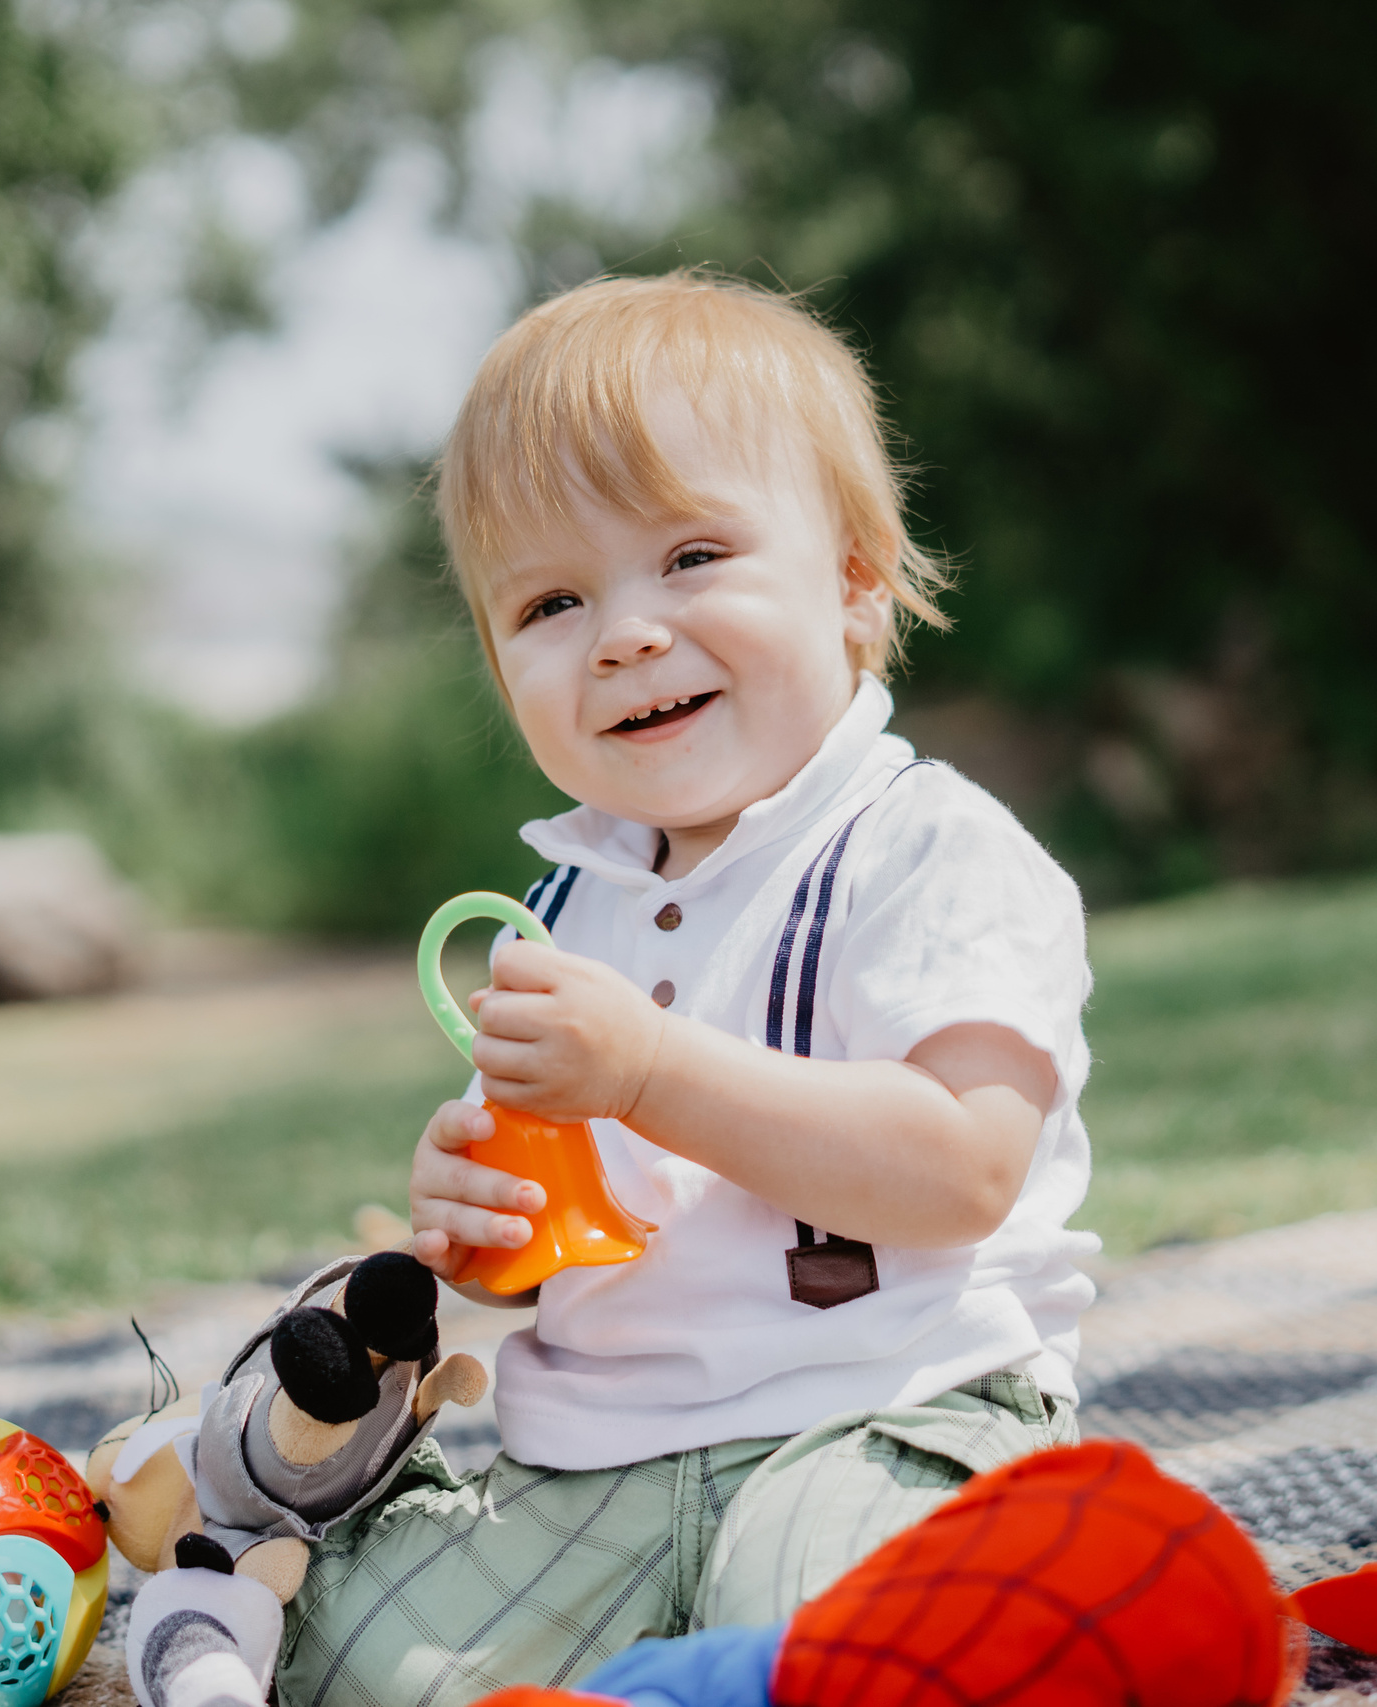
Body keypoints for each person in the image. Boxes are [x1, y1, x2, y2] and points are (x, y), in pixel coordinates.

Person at [284, 270, 1095, 1706]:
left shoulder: (928, 850)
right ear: (496, 656)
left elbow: (964, 1166)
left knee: (837, 1625)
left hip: (881, 1418)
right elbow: (554, 1236)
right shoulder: (556, 910)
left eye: (693, 555)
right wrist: (478, 1232)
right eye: (550, 600)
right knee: (356, 1654)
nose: (623, 633)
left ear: (851, 576)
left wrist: (650, 1070)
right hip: (604, 1457)